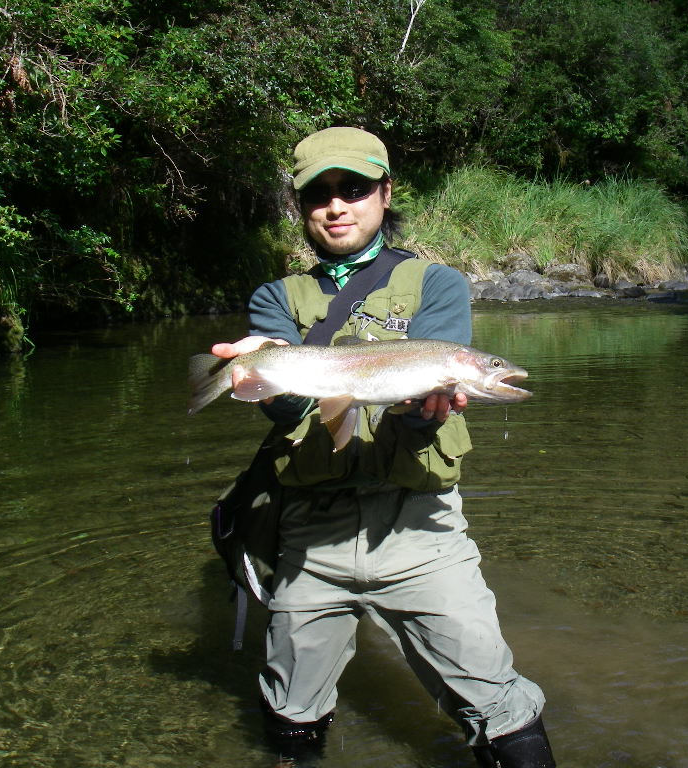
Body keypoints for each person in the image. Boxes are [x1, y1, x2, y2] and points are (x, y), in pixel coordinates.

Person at [210, 126, 555, 768]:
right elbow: (289, 414)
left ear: (384, 193)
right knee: (290, 710)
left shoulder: (437, 285)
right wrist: (264, 377)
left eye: (354, 189)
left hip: (421, 529)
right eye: (320, 194)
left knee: (499, 705)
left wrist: (425, 411)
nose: (337, 206)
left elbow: (425, 414)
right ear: (303, 206)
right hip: (311, 536)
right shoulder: (276, 298)